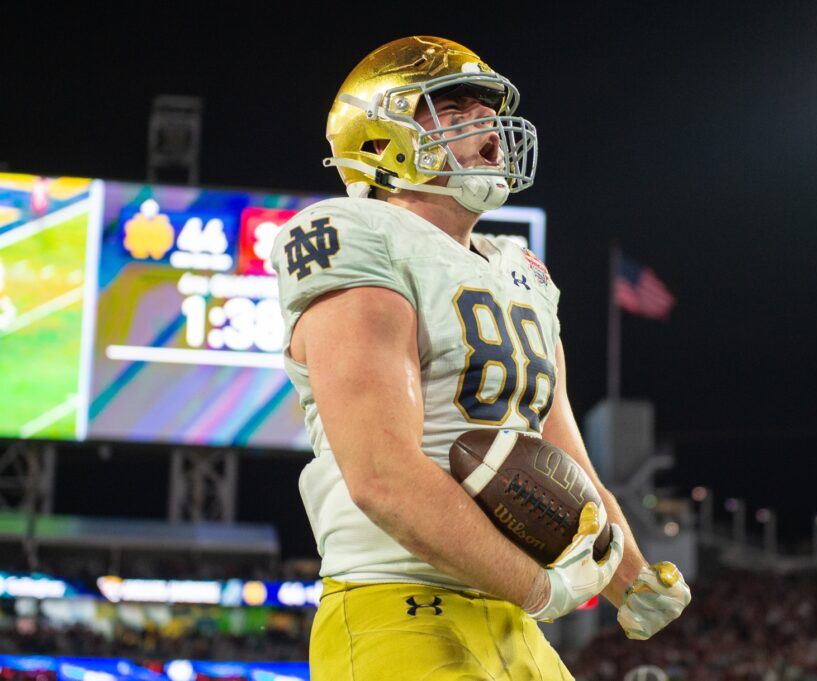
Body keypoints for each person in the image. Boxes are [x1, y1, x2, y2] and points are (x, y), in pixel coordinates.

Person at [271, 36, 691, 680]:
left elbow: (565, 456)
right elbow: (381, 475)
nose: (488, 125)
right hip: (397, 599)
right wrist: (539, 587)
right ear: (381, 140)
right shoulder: (353, 234)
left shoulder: (523, 272)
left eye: (487, 108)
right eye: (454, 107)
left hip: (511, 616)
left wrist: (630, 579)